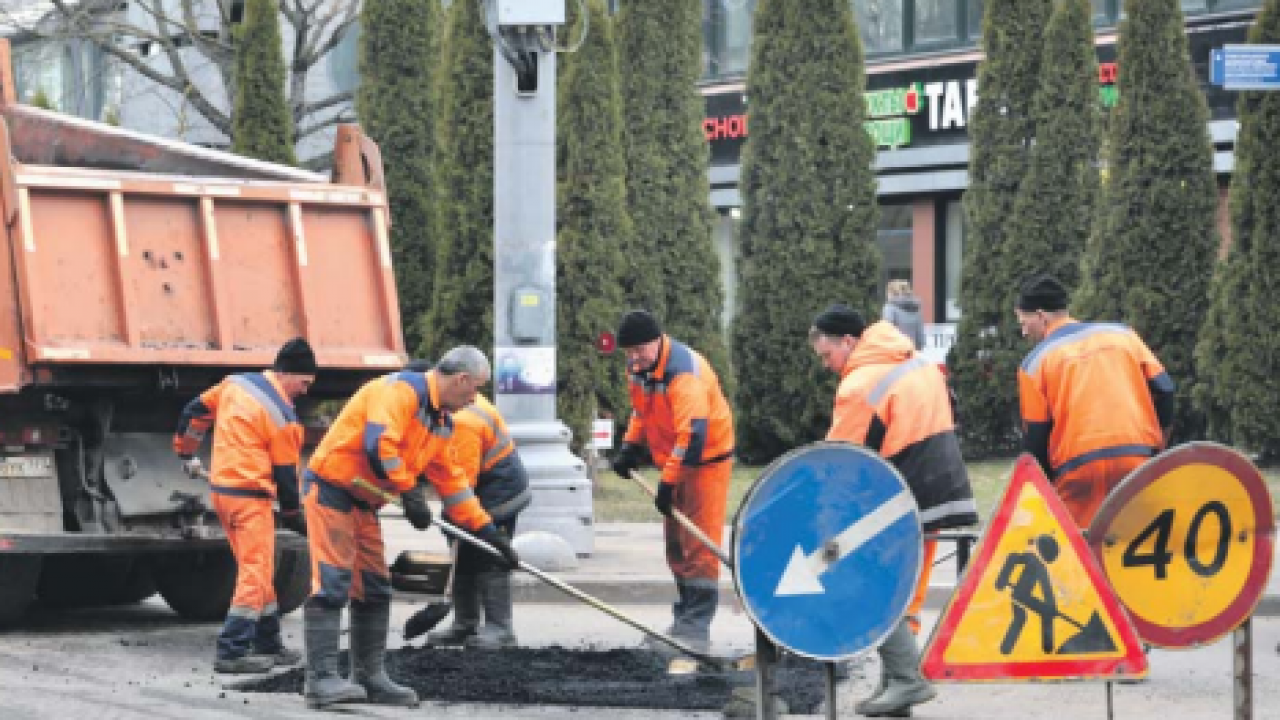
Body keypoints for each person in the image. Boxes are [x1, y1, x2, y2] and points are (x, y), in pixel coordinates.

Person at [299, 346, 520, 709]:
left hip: (364, 503)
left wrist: (487, 533)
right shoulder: (400, 391)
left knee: (374, 589)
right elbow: (379, 444)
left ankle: (369, 677)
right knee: (333, 582)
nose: (473, 400)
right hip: (333, 491)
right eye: (473, 390)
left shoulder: (441, 422)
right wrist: (408, 491)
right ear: (462, 379)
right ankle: (320, 680)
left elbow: (453, 482)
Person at [809, 303, 977, 718]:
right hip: (944, 489)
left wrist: (823, 520)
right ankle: (894, 687)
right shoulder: (913, 361)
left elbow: (842, 463)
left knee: (868, 586)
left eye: (827, 355)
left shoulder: (861, 384)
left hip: (905, 496)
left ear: (848, 342)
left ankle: (906, 680)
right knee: (899, 593)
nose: (827, 366)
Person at [173, 337, 317, 674]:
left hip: (223, 495)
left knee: (258, 568)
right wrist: (295, 515)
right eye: (305, 383)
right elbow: (285, 477)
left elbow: (194, 412)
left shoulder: (234, 385)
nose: (306, 391)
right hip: (250, 499)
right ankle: (232, 651)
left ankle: (268, 643)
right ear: (287, 374)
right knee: (255, 573)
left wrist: (185, 450)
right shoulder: (283, 418)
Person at [610, 310, 734, 654]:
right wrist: (630, 446)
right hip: (677, 461)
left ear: (658, 340)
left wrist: (668, 482)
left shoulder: (684, 374)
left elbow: (692, 435)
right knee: (677, 546)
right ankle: (684, 619)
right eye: (629, 352)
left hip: (705, 462)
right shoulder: (640, 369)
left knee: (699, 546)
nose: (635, 358)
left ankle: (696, 629)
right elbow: (641, 410)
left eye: (640, 350)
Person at [1014, 274, 1174, 528]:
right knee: (1133, 540)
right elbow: (1165, 390)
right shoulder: (1123, 335)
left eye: (1024, 322)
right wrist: (1159, 445)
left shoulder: (1035, 363)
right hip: (1138, 459)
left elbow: (1036, 436)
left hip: (1076, 469)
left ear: (1042, 316)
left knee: (1081, 552)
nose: (1023, 331)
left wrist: (1044, 486)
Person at [404, 380, 532, 649]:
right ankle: (465, 624)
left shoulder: (461, 421)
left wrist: (457, 520)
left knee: (488, 552)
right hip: (479, 486)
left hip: (500, 490)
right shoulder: (445, 409)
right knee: (461, 545)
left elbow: (462, 485)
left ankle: (501, 628)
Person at [882, 279, 925, 351]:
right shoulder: (915, 308)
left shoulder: (890, 308)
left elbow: (887, 330)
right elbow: (920, 338)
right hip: (911, 352)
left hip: (894, 352)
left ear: (892, 293)